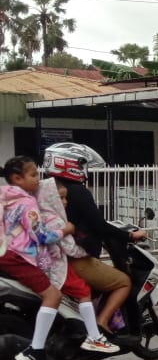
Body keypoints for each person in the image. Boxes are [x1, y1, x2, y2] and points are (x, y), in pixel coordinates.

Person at [1, 157, 118, 360]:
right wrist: (67, 230)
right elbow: (41, 235)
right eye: (34, 174)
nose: (38, 179)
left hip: (6, 253)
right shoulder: (26, 203)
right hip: (18, 256)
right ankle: (36, 351)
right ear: (17, 178)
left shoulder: (6, 197)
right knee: (52, 297)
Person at [42, 143, 147, 334]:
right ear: (68, 163)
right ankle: (103, 322)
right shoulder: (77, 191)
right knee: (124, 281)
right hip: (74, 258)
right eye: (81, 163)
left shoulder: (45, 188)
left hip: (51, 256)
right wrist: (130, 235)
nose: (84, 169)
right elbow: (98, 225)